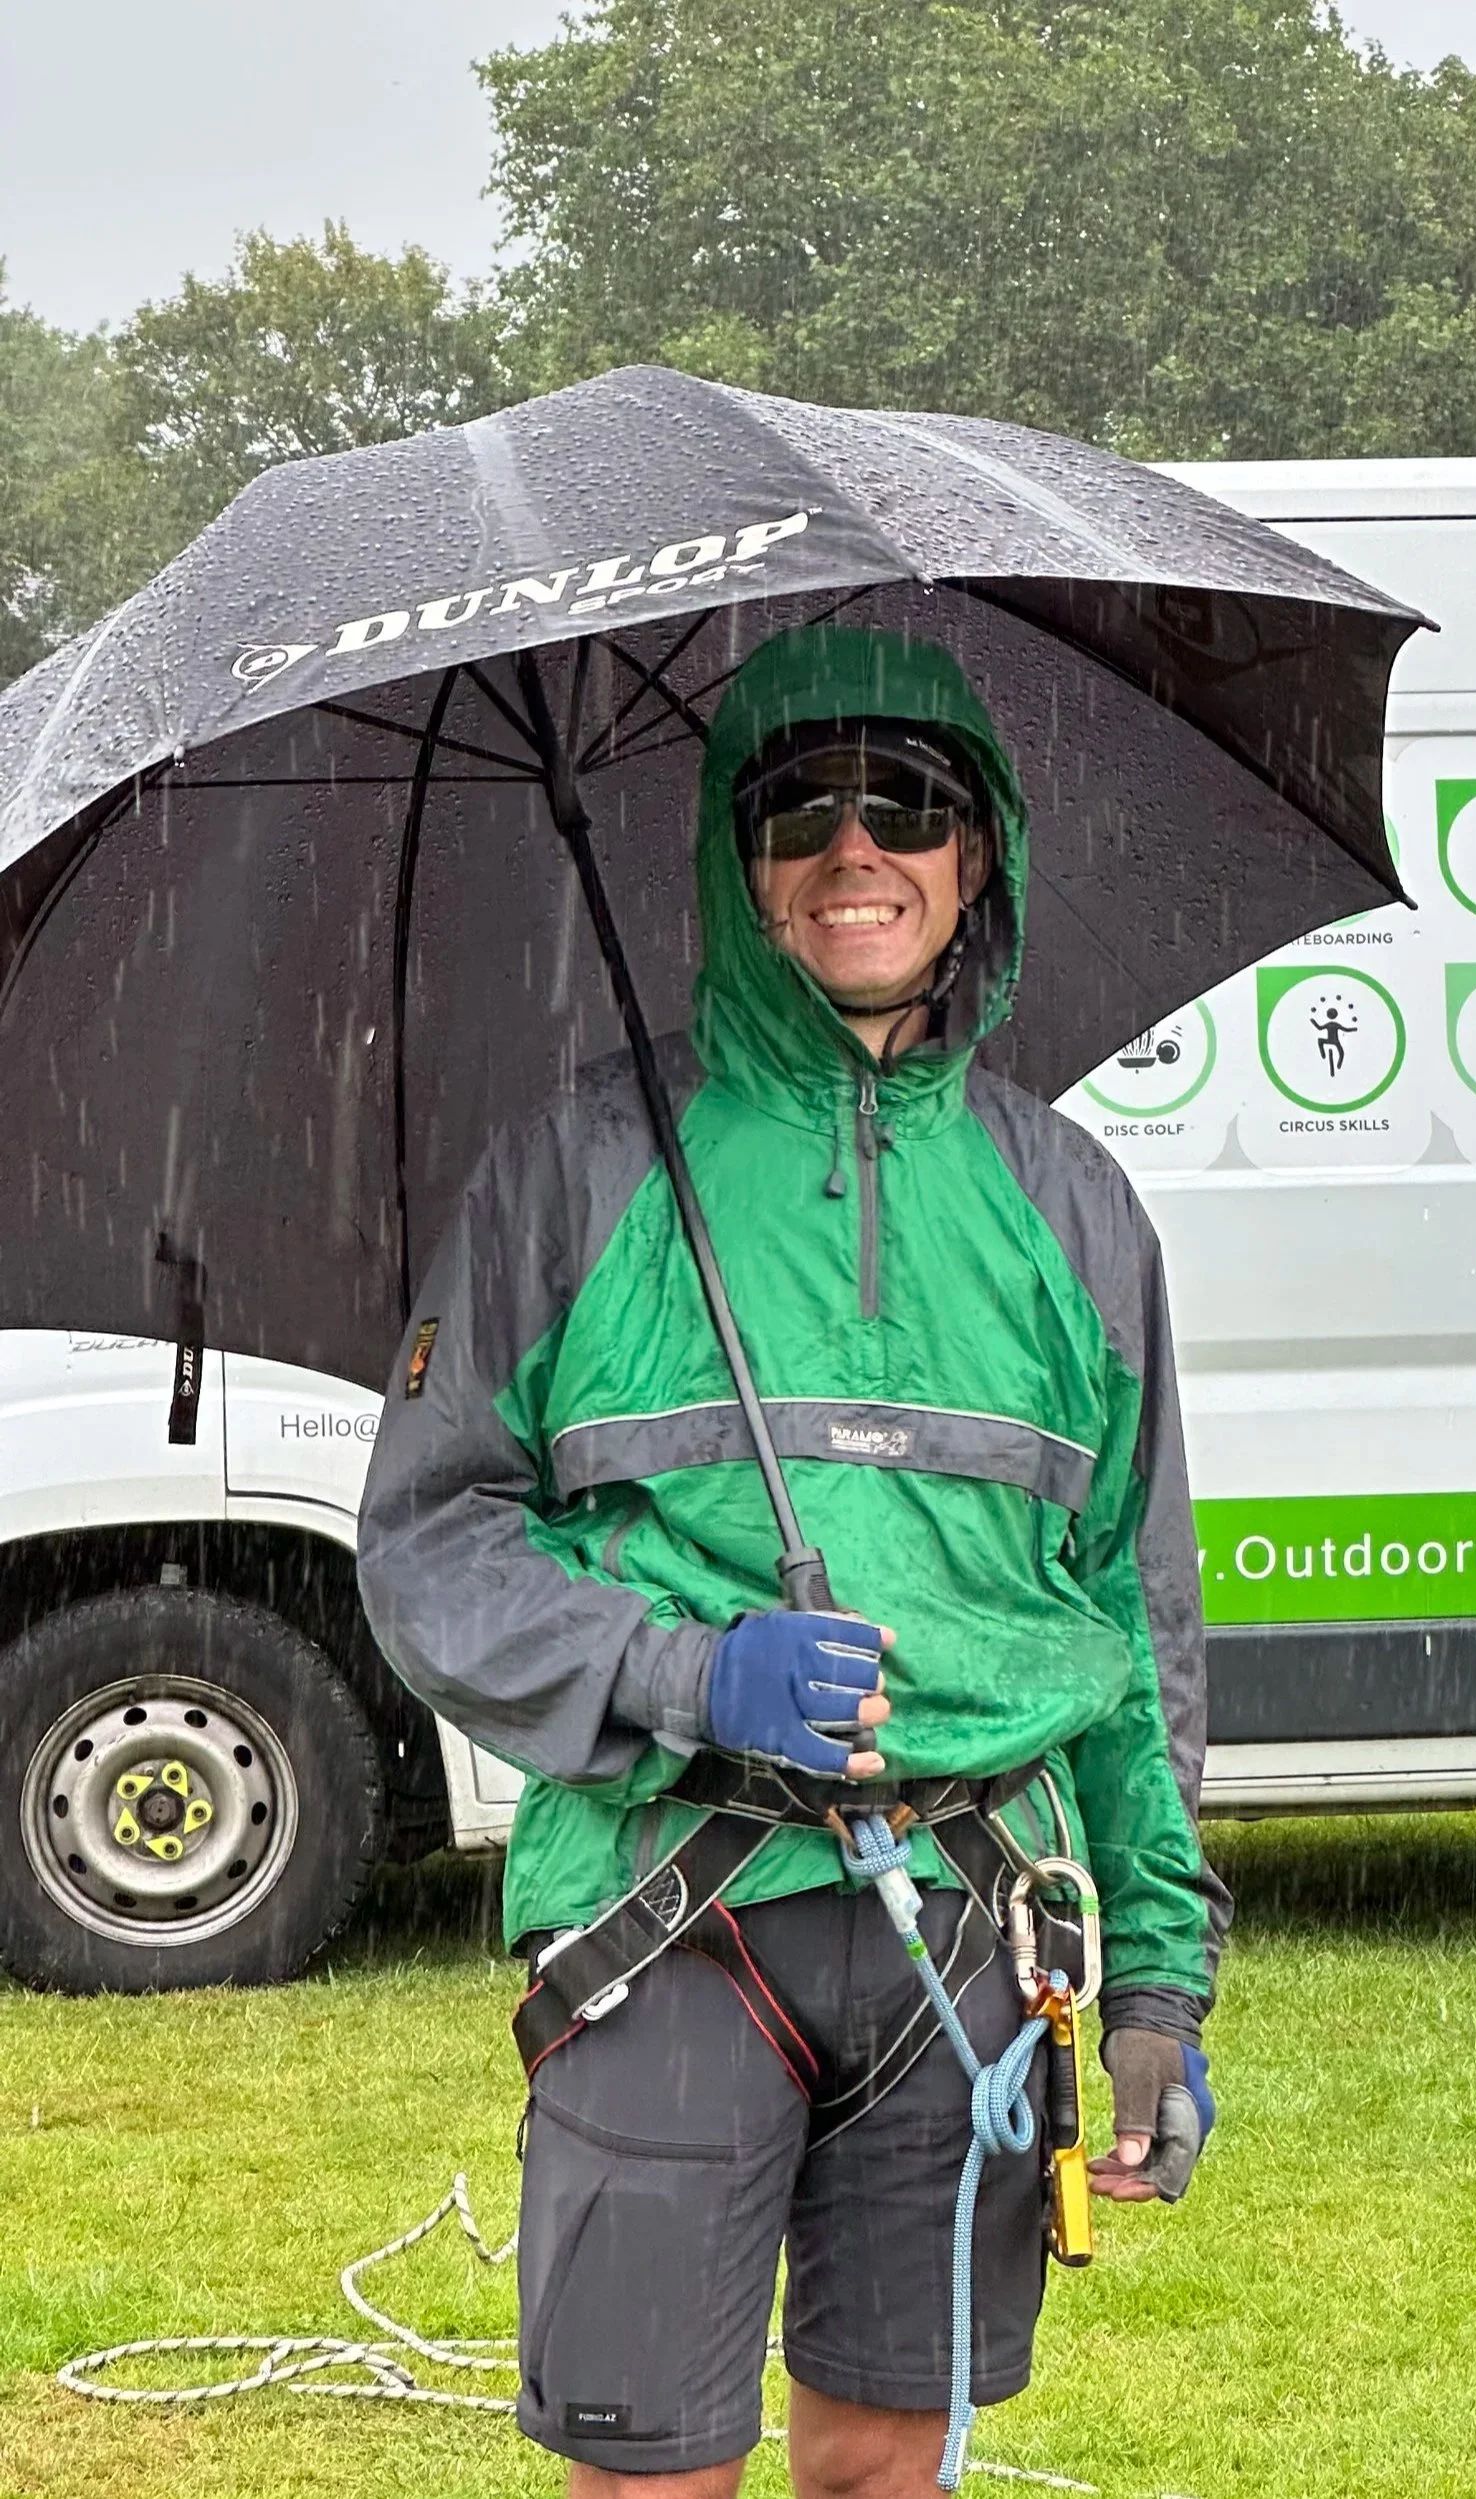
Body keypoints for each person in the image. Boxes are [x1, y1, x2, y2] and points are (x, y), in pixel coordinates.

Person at [358, 624, 1224, 2499]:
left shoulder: (1075, 1207)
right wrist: (681, 1672)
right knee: (650, 2473)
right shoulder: (576, 1173)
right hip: (670, 1908)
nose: (856, 849)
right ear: (730, 861)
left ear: (978, 848)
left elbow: (1132, 1620)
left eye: (906, 801)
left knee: (879, 2465)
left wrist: (1156, 1982)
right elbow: (427, 1540)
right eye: (798, 804)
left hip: (973, 1927)